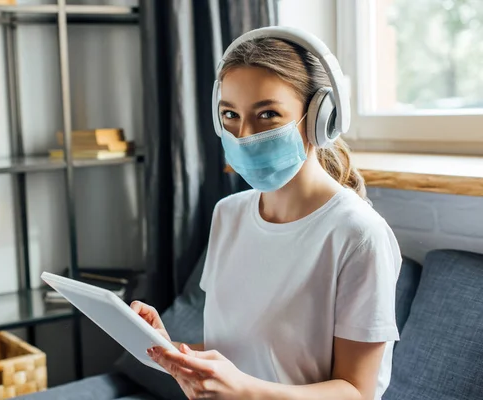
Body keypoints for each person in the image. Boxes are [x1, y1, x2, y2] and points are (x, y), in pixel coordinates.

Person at [131, 26, 401, 400]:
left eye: (268, 114)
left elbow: (357, 391)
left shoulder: (357, 234)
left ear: (322, 118)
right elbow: (237, 353)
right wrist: (169, 348)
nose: (243, 135)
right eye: (230, 115)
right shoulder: (228, 214)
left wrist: (245, 391)